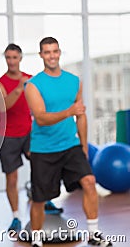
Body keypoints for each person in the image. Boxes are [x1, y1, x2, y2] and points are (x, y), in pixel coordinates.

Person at [24, 37, 112, 247]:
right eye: (47, 52)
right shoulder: (33, 85)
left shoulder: (74, 81)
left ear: (60, 52)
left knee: (89, 182)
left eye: (55, 51)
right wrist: (69, 112)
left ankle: (94, 234)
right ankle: (36, 239)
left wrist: (83, 145)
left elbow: (81, 115)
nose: (52, 55)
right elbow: (42, 119)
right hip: (43, 149)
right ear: (41, 55)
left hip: (70, 145)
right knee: (39, 199)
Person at [0, 43, 63, 234]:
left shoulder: (32, 80)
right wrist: (18, 88)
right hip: (7, 136)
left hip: (30, 134)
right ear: (6, 59)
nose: (12, 61)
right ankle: (16, 216)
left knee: (41, 168)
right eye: (8, 58)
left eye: (15, 57)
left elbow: (43, 104)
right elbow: (2, 107)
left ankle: (45, 200)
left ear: (20, 58)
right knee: (12, 178)